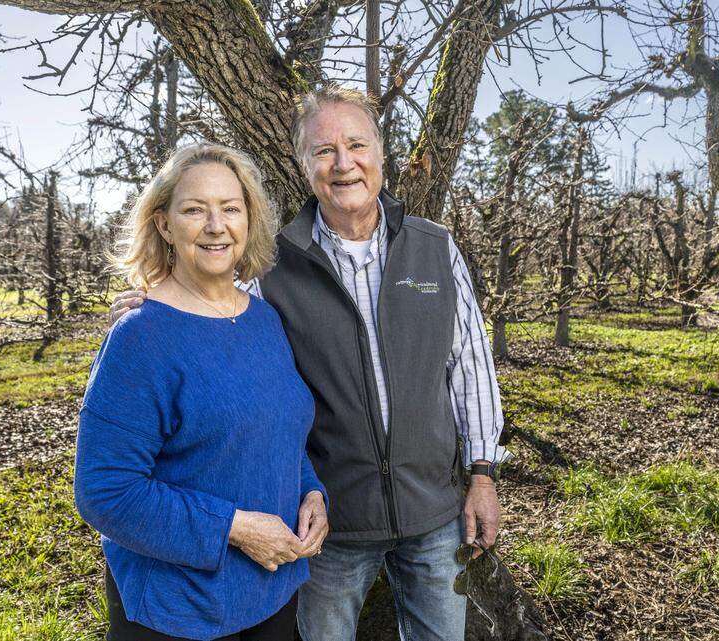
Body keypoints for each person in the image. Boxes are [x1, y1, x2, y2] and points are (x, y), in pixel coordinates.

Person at [111, 86, 506, 641]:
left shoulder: (435, 248)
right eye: (324, 151)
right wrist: (148, 303)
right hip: (330, 524)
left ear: (382, 155)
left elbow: (470, 368)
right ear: (305, 167)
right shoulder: (273, 268)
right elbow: (210, 307)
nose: (344, 164)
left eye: (357, 145)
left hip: (435, 513)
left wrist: (483, 474)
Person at [77, 143, 329, 641]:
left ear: (248, 220)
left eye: (230, 208)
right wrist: (234, 528)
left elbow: (278, 429)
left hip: (273, 594)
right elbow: (105, 492)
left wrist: (311, 491)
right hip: (180, 611)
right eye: (195, 209)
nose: (216, 225)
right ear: (164, 224)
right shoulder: (140, 336)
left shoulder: (263, 319)